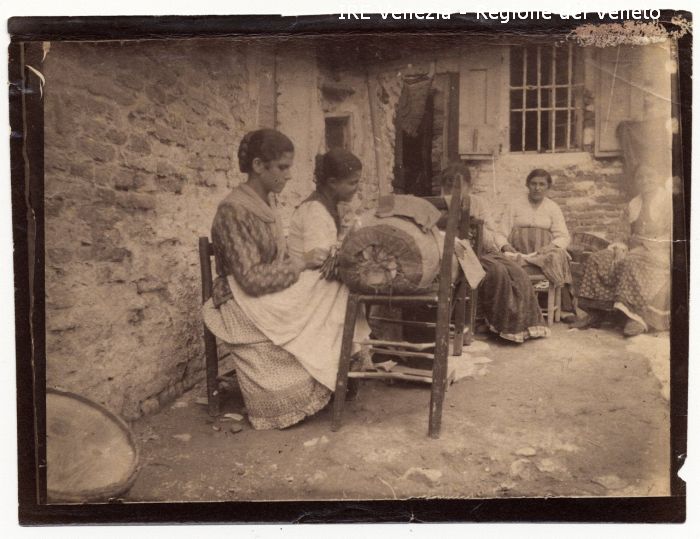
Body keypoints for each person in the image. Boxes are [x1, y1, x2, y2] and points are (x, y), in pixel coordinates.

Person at [202, 130, 368, 429]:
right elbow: (251, 279)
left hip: (266, 291)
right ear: (258, 165)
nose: (289, 175)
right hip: (240, 297)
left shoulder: (265, 203)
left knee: (335, 286)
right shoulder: (233, 210)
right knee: (331, 290)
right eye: (282, 167)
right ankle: (328, 371)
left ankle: (339, 366)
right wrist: (301, 263)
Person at [440, 162, 549, 343]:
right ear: (444, 186)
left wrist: (478, 226)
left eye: (460, 186)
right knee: (497, 272)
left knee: (518, 272)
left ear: (469, 186)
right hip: (457, 252)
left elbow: (490, 236)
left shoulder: (478, 203)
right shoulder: (437, 205)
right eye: (450, 186)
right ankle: (496, 324)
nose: (455, 191)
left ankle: (521, 326)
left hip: (482, 250)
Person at [572, 165, 672, 337]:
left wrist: (645, 244)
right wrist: (619, 247)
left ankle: (636, 317)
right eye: (640, 177)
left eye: (650, 176)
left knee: (631, 261)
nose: (645, 181)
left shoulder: (669, 202)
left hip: (661, 251)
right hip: (634, 248)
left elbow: (676, 234)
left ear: (659, 178)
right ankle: (596, 313)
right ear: (635, 181)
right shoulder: (633, 204)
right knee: (598, 258)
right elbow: (622, 231)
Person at [499, 169, 574, 307]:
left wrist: (550, 247)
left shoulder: (553, 207)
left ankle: (557, 305)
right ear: (527, 185)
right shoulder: (514, 205)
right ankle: (514, 305)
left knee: (557, 256)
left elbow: (563, 236)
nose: (537, 188)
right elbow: (500, 233)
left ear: (548, 187)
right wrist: (505, 246)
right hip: (517, 252)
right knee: (500, 262)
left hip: (542, 255)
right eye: (533, 183)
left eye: (542, 184)